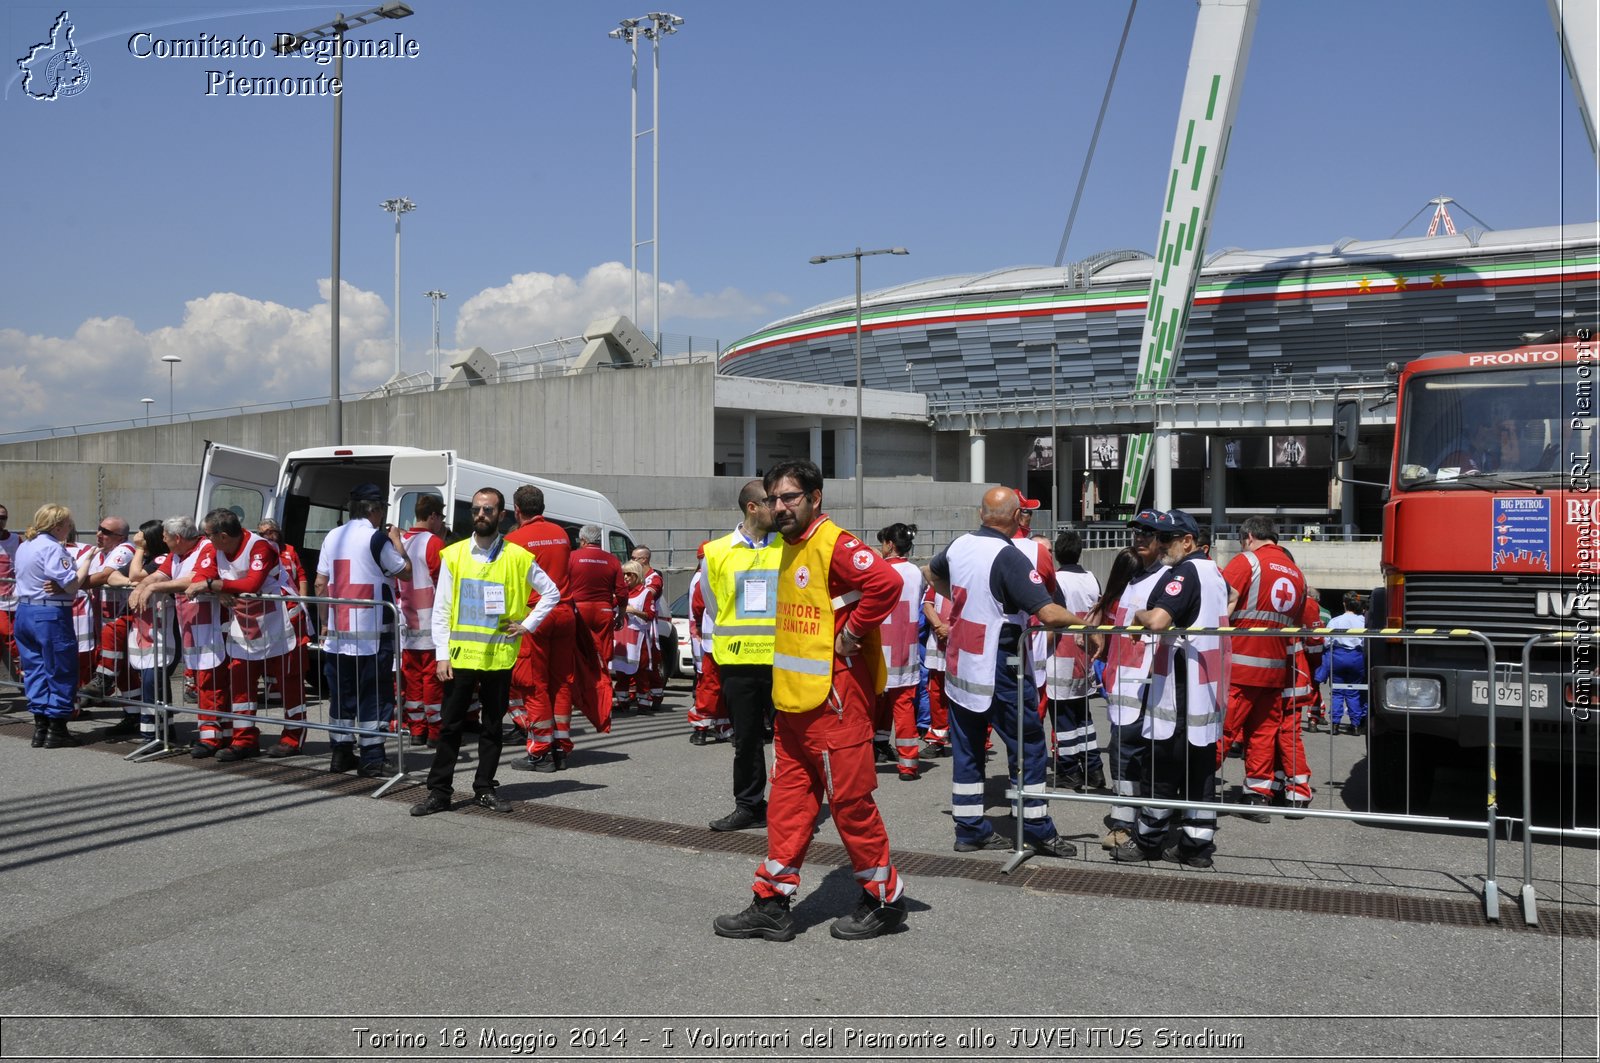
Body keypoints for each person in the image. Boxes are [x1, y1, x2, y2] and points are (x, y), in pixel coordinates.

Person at [714, 460, 908, 941]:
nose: (780, 507)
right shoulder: (787, 544)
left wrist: (854, 634)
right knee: (787, 805)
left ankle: (885, 900)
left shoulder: (833, 542)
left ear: (815, 498)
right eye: (775, 498)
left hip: (836, 702)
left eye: (790, 498)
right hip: (796, 703)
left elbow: (887, 583)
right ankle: (772, 901)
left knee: (850, 806)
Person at [923, 486, 1085, 860]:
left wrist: (958, 603)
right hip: (1000, 661)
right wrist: (1085, 626)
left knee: (967, 746)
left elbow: (931, 571)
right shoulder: (1009, 556)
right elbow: (1047, 612)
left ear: (982, 514)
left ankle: (969, 829)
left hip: (963, 659)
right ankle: (1037, 829)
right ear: (1015, 518)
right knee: (1028, 746)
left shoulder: (960, 544)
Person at [411, 488, 558, 817]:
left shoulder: (517, 557)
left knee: (492, 727)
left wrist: (528, 625)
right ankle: (439, 792)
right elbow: (442, 608)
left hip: (497, 655)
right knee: (450, 726)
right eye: (476, 509)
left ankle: (484, 787)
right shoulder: (456, 554)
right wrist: (441, 654)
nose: (480, 514)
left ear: (501, 515)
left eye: (488, 510)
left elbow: (551, 592)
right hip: (460, 657)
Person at [1109, 510, 1230, 868]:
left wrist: (1139, 615)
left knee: (1161, 765)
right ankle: (1196, 845)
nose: (1160, 546)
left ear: (1188, 542)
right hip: (1204, 685)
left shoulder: (1185, 572)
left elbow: (1159, 620)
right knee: (1200, 767)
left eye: (1166, 539)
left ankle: (1147, 840)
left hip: (1180, 687)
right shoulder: (1214, 572)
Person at [314, 484, 411, 776]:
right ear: (375, 510)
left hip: (338, 633)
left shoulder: (333, 536)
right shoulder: (376, 538)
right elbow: (404, 570)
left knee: (342, 694)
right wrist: (396, 541)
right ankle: (371, 757)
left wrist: (324, 623)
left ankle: (341, 753)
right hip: (372, 633)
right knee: (375, 694)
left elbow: (320, 583)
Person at [701, 481, 779, 828]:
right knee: (746, 740)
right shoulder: (716, 551)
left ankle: (794, 806)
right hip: (737, 660)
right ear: (752, 507)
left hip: (782, 660)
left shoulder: (787, 546)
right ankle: (749, 805)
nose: (778, 508)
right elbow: (713, 602)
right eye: (770, 501)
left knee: (793, 739)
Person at [199, 508, 305, 762]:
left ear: (223, 536)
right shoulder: (215, 548)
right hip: (244, 621)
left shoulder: (261, 547)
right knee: (241, 681)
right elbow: (202, 575)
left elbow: (251, 584)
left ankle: (293, 738)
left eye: (209, 535)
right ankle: (244, 739)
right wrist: (216, 588)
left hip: (279, 619)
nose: (206, 540)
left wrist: (215, 586)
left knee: (288, 683)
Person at [1219, 515, 1307, 821]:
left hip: (1239, 667)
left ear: (1248, 537)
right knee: (1262, 734)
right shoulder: (1297, 575)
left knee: (1222, 730)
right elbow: (1294, 626)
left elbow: (1221, 606)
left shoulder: (1247, 562)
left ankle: (1196, 791)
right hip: (1274, 671)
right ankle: (1257, 797)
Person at [1098, 512, 1171, 850]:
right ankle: (1126, 818)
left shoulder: (1169, 579)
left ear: (1163, 541)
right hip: (1124, 682)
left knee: (1143, 753)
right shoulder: (1132, 579)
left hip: (1150, 682)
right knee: (1123, 752)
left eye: (1148, 533)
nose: (1140, 538)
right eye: (1137, 533)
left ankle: (1133, 823)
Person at [128, 516, 230, 755]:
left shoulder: (205, 548)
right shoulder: (177, 554)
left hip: (212, 626)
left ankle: (214, 737)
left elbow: (192, 579)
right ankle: (212, 735)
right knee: (204, 683)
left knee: (212, 683)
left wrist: (151, 588)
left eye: (165, 536)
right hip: (194, 629)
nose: (162, 540)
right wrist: (142, 586)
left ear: (178, 538)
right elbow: (159, 575)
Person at [507, 484, 579, 771]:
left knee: (534, 684)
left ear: (516, 509)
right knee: (562, 682)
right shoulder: (561, 534)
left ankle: (540, 751)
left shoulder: (514, 539)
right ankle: (561, 746)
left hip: (535, 616)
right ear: (543, 507)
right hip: (565, 613)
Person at [14, 503, 84, 748]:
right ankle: (57, 728)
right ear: (57, 527)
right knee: (60, 668)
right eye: (67, 525)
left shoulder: (25, 545)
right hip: (50, 613)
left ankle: (40, 727)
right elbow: (72, 585)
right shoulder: (53, 548)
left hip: (24, 610)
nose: (69, 529)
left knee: (35, 670)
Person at [1047, 529, 1105, 791]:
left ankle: (1069, 769)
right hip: (1085, 655)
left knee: (1063, 719)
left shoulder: (1056, 580)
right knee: (1084, 717)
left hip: (1060, 654)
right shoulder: (1092, 578)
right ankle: (1094, 768)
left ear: (1057, 555)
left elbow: (1053, 618)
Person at [875, 522, 925, 782]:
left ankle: (870, 751)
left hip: (880, 649)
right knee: (903, 706)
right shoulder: (916, 573)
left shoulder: (879, 570)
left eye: (883, 543)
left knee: (872, 704)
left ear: (890, 545)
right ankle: (908, 764)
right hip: (907, 648)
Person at [396, 494, 447, 747]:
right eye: (441, 517)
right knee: (432, 678)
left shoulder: (401, 540)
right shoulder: (434, 542)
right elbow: (443, 583)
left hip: (407, 621)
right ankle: (435, 731)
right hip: (430, 622)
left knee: (412, 677)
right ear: (433, 516)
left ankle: (417, 730)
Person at [567, 524, 628, 724]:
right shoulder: (612, 560)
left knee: (576, 655)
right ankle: (603, 701)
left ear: (582, 540)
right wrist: (620, 613)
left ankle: (578, 700)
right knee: (602, 657)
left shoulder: (572, 557)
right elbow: (621, 592)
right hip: (603, 611)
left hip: (579, 610)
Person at [684, 541, 730, 744]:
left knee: (710, 684)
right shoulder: (727, 569)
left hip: (711, 640)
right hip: (733, 640)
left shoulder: (703, 577)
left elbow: (697, 607)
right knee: (726, 684)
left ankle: (702, 727)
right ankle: (725, 726)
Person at [1324, 592, 1369, 735]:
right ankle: (1355, 725)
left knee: (1337, 692)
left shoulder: (1335, 621)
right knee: (1353, 692)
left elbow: (1326, 641)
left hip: (1338, 656)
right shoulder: (1362, 621)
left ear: (1344, 604)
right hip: (1356, 657)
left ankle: (1335, 725)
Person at [630, 545, 666, 710]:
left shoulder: (654, 577)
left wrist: (629, 589)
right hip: (632, 625)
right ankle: (633, 694)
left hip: (647, 626)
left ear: (644, 559)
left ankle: (656, 696)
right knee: (632, 661)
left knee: (649, 662)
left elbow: (649, 593)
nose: (632, 561)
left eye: (634, 558)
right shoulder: (635, 577)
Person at [0, 503, 18, 680]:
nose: (0, 521)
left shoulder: (15, 540)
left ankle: (25, 675)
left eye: (3, 517)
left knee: (13, 637)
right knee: (8, 634)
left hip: (12, 600)